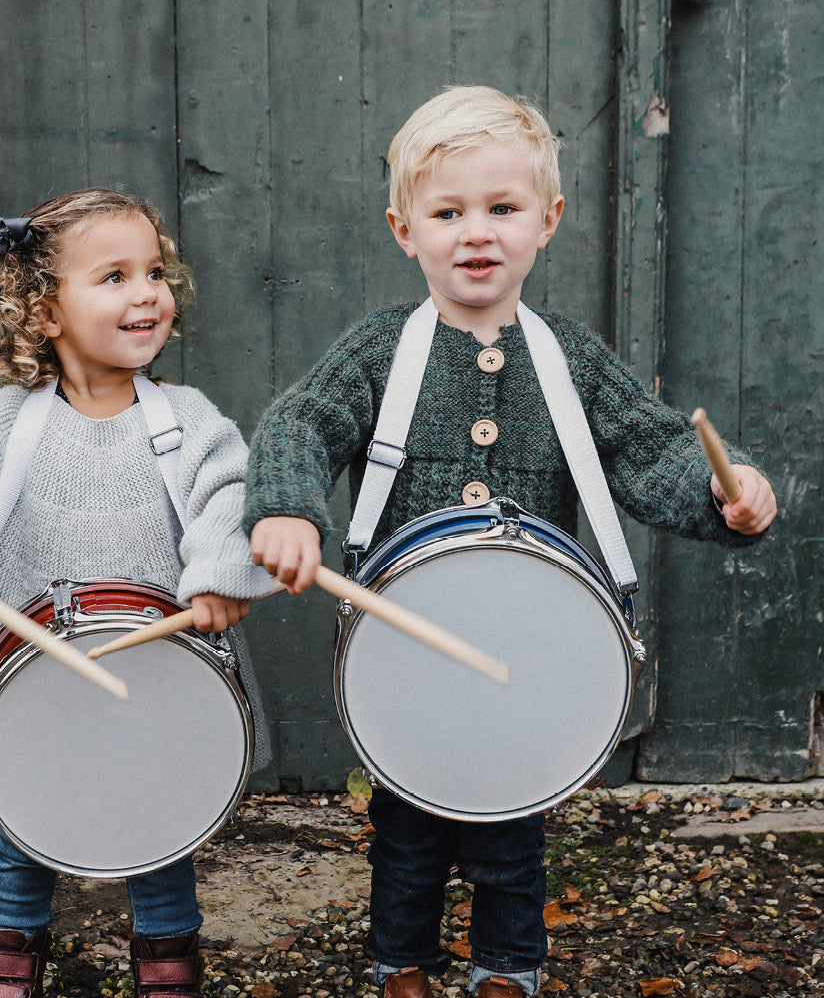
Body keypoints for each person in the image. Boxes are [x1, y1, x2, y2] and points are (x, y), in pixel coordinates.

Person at [243, 86, 776, 998]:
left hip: (527, 651)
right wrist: (287, 505)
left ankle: (508, 968)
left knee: (510, 826)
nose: (475, 232)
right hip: (402, 643)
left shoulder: (568, 356)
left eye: (502, 208)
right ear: (404, 229)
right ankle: (400, 961)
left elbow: (650, 449)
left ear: (548, 220)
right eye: (447, 212)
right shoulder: (382, 349)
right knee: (405, 830)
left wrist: (725, 493)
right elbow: (304, 420)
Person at [0, 187, 274, 998]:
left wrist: (219, 573)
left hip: (158, 684)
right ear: (44, 314)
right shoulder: (3, 425)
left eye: (155, 271)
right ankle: (8, 961)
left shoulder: (188, 421)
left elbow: (231, 493)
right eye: (115, 275)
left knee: (162, 834)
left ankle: (168, 967)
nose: (146, 292)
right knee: (20, 833)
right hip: (34, 690)